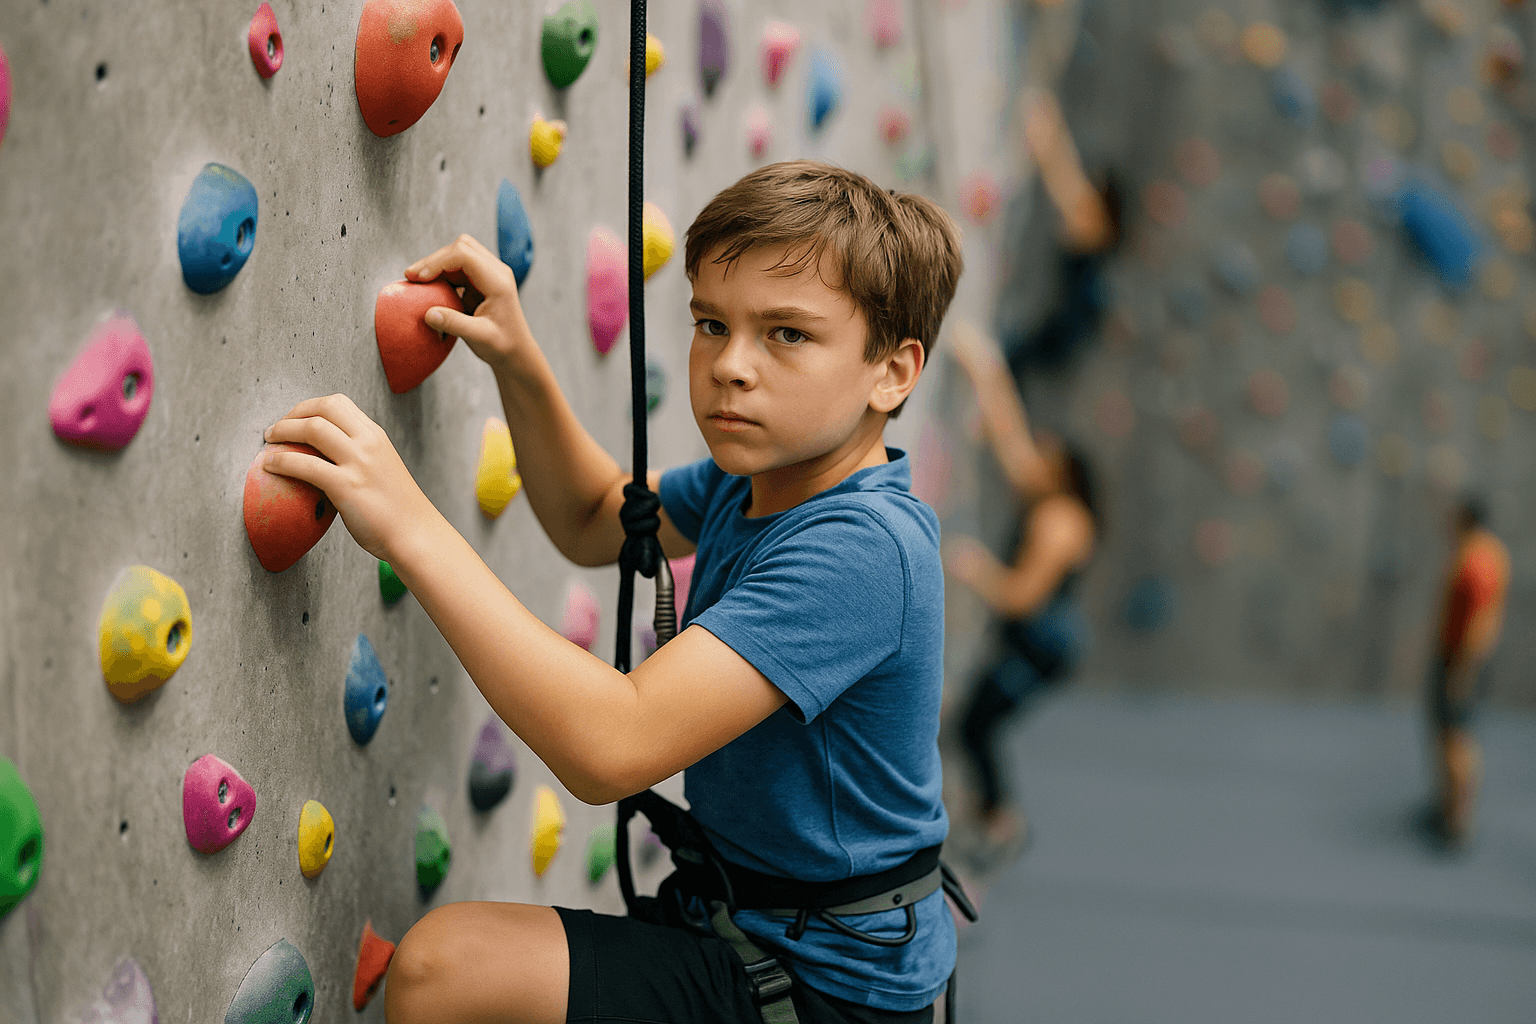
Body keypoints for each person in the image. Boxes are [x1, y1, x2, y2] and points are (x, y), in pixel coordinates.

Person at [260, 160, 964, 1023]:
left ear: (892, 374)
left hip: (827, 990)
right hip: (754, 924)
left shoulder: (862, 550)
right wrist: (518, 359)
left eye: (786, 334)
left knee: (448, 970)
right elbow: (596, 514)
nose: (730, 367)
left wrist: (409, 526)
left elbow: (613, 747)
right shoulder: (766, 484)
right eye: (712, 324)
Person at [943, 324, 1097, 865]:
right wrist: (986, 370)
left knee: (975, 726)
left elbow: (1020, 598)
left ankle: (1000, 821)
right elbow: (1011, 439)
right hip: (1034, 639)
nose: (1038, 457)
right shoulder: (1048, 499)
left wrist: (976, 569)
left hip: (1040, 646)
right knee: (974, 725)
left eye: (1049, 455)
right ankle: (992, 815)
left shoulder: (1060, 523)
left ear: (1067, 474)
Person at [1004, 89, 1122, 378]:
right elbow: (1069, 188)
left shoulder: (1081, 280)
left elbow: (1071, 194)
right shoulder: (1083, 264)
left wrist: (1047, 138)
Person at [1421, 496, 1509, 851]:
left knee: (1456, 737)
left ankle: (1458, 820)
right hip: (1458, 656)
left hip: (1461, 659)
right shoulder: (1484, 550)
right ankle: (1448, 807)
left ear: (1464, 517)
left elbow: (1481, 622)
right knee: (1448, 734)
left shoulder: (1477, 559)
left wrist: (1463, 670)